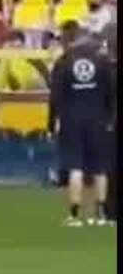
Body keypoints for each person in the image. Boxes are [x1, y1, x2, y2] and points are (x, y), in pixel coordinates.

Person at [49, 25, 115, 226]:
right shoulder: (102, 61)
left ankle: (75, 215)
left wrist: (52, 122)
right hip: (98, 118)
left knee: (75, 166)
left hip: (72, 119)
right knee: (100, 168)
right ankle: (102, 215)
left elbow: (56, 96)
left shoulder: (64, 61)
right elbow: (111, 92)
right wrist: (110, 117)